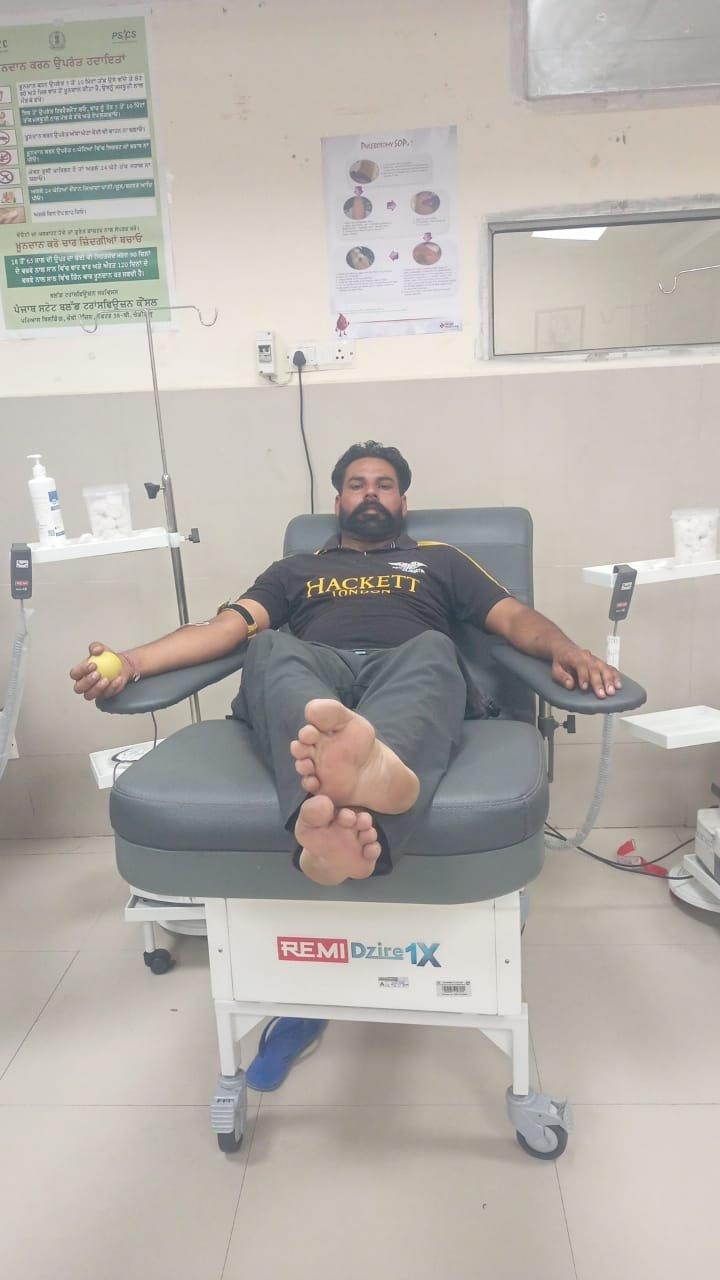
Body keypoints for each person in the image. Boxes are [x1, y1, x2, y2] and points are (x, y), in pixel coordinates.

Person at [70, 440, 621, 888]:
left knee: (435, 646)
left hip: (405, 665)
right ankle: (347, 804)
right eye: (357, 485)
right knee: (268, 647)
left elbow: (514, 618)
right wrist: (133, 661)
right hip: (318, 675)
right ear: (338, 503)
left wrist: (565, 649)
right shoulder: (294, 569)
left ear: (403, 503)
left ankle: (342, 820)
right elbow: (225, 629)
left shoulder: (441, 561)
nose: (370, 493)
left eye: (384, 484)